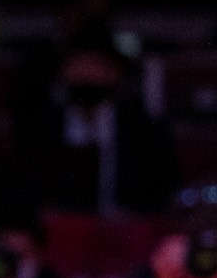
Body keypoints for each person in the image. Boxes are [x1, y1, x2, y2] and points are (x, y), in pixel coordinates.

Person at [15, 32, 176, 214]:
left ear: (116, 74)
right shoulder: (40, 127)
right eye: (78, 64)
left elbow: (160, 192)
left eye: (95, 65)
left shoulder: (141, 131)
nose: (86, 75)